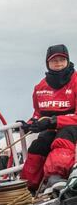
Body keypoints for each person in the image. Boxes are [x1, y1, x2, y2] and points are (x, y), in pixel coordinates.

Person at [20, 44, 77, 191]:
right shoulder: (40, 87)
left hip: (71, 128)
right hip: (50, 128)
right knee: (39, 145)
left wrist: (53, 121)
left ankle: (56, 178)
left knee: (62, 138)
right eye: (54, 60)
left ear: (68, 60)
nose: (58, 63)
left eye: (61, 59)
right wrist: (30, 124)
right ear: (48, 63)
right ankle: (26, 188)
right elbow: (38, 114)